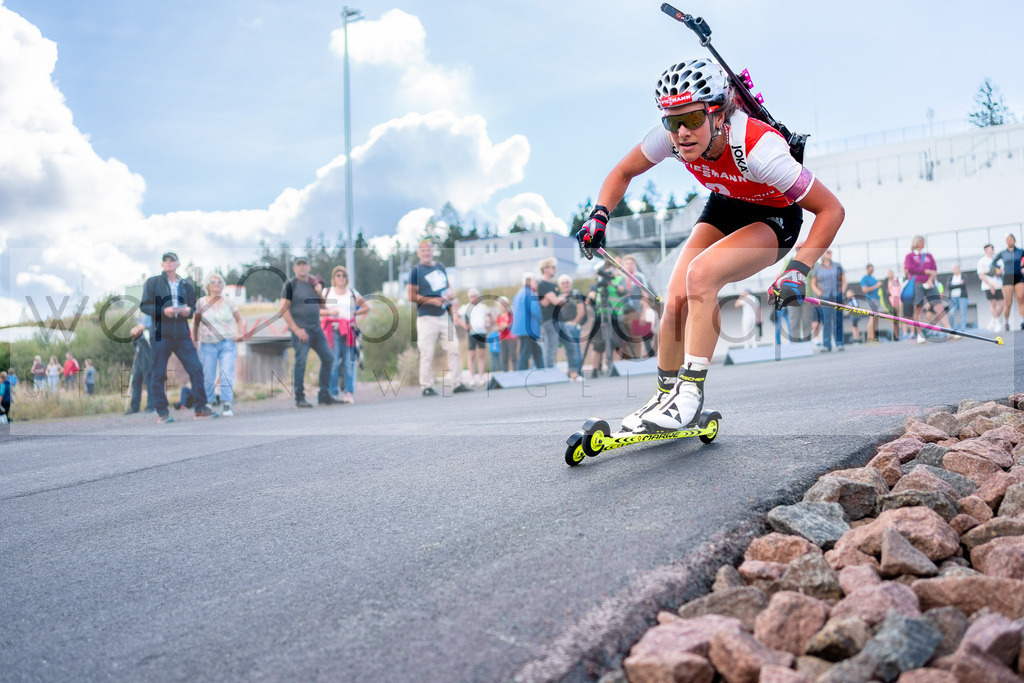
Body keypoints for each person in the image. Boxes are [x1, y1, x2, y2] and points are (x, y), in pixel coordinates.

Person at [576, 57, 843, 433]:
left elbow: (831, 209)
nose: (682, 132)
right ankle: (665, 394)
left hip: (773, 218)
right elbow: (622, 172)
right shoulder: (671, 138)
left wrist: (797, 270)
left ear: (718, 115)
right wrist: (599, 215)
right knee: (675, 295)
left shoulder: (757, 147)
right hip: (726, 204)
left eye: (694, 120)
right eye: (672, 121)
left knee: (701, 275)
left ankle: (690, 394)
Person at [140, 251, 218, 423]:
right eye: (165, 260)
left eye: (172, 260)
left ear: (177, 264)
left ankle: (200, 408)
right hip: (161, 333)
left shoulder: (185, 285)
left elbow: (192, 308)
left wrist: (188, 311)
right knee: (158, 372)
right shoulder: (153, 282)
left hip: (182, 334)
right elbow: (145, 306)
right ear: (162, 264)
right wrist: (163, 311)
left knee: (196, 368)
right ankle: (162, 412)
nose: (168, 263)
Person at [407, 240, 473, 396]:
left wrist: (451, 293)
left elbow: (448, 286)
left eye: (428, 250)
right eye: (423, 250)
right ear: (419, 253)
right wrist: (432, 300)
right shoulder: (416, 271)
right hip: (426, 317)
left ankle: (457, 383)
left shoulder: (440, 267)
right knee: (427, 352)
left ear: (432, 251)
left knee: (454, 347)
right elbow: (410, 295)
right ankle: (426, 386)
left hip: (444, 315)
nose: (426, 253)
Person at [280, 257, 340, 407]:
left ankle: (324, 395)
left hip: (316, 328)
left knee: (328, 358)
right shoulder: (290, 285)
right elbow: (283, 309)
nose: (302, 267)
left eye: (304, 264)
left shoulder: (314, 283)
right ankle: (299, 398)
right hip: (301, 330)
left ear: (309, 266)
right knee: (301, 363)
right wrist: (297, 330)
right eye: (299, 265)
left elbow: (322, 306)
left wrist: (319, 292)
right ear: (294, 268)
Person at [194, 272, 246, 416]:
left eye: (219, 281)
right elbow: (196, 323)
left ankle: (226, 404)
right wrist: (195, 340)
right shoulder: (201, 302)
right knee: (208, 375)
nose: (216, 283)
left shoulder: (228, 302)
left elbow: (239, 320)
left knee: (226, 374)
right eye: (213, 281)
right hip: (207, 343)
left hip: (227, 343)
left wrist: (240, 332)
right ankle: (208, 403)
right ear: (207, 286)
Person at [321, 265, 369, 403]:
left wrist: (354, 313)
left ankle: (349, 392)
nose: (341, 278)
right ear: (333, 278)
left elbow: (367, 306)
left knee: (349, 363)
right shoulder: (327, 292)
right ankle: (333, 393)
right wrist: (330, 313)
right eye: (338, 275)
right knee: (334, 363)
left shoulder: (351, 293)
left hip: (348, 330)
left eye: (344, 276)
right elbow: (318, 310)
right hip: (333, 330)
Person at [904, 235, 952, 343]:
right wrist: (926, 271)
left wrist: (931, 277)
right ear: (915, 242)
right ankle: (920, 334)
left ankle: (949, 330)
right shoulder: (909, 256)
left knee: (939, 306)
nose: (922, 243)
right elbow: (910, 268)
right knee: (918, 308)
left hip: (930, 284)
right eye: (920, 241)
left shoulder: (928, 255)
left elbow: (934, 268)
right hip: (917, 284)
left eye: (923, 241)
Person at [586, 262, 627, 377]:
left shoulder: (618, 280)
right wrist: (591, 298)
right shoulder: (596, 285)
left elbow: (622, 291)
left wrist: (611, 283)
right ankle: (595, 370)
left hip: (615, 315)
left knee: (616, 343)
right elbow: (591, 298)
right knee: (597, 345)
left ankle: (615, 368)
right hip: (601, 316)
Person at [811, 250, 846, 352]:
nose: (830, 254)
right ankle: (827, 345)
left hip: (836, 296)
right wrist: (818, 292)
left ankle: (839, 343)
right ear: (822, 255)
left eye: (830, 252)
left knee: (838, 319)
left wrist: (842, 290)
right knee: (826, 321)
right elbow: (813, 283)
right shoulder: (817, 269)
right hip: (825, 297)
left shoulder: (837, 266)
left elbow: (844, 280)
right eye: (827, 252)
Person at [553, 274, 586, 380]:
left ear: (571, 283)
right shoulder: (558, 296)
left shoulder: (575, 294)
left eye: (567, 282)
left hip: (572, 325)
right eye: (563, 283)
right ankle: (570, 371)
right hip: (562, 326)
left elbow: (581, 310)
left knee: (575, 348)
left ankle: (577, 371)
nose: (565, 285)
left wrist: (574, 323)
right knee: (567, 350)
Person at [536, 258, 565, 369]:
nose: (555, 269)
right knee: (551, 348)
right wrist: (558, 298)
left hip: (559, 319)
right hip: (549, 320)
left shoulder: (553, 285)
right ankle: (550, 371)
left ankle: (572, 372)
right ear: (545, 269)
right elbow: (557, 301)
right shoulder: (542, 284)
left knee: (568, 346)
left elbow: (561, 300)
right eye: (553, 267)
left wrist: (557, 298)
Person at [512, 272, 543, 370]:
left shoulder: (519, 293)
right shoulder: (529, 293)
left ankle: (542, 371)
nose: (537, 283)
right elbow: (535, 311)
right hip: (528, 329)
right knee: (525, 353)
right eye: (535, 281)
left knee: (536, 351)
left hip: (522, 329)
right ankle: (521, 374)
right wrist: (542, 319)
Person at [461, 288, 492, 387]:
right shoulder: (465, 307)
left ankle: (481, 377)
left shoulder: (483, 307)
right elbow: (456, 316)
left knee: (481, 355)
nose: (473, 298)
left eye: (475, 296)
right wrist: (465, 325)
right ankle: (472, 377)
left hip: (482, 333)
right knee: (471, 355)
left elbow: (491, 316)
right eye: (471, 296)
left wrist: (488, 323)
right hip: (472, 333)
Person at [126, 312, 155, 414]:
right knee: (136, 380)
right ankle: (135, 407)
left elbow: (143, 329)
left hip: (147, 355)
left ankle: (151, 405)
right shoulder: (143, 317)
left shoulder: (150, 316)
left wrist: (137, 330)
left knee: (148, 379)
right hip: (139, 355)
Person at [994, 233, 1024, 330]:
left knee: (1020, 299)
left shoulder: (1020, 251)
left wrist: (1022, 267)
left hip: (1018, 277)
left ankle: (1022, 321)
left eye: (1011, 239)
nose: (1009, 241)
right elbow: (993, 262)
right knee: (1008, 302)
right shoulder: (1003, 253)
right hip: (1007, 277)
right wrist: (1000, 268)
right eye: (1007, 239)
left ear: (1014, 240)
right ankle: (1006, 322)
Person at [977, 243, 1005, 331]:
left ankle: (993, 320)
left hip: (999, 284)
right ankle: (997, 323)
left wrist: (998, 272)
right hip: (988, 285)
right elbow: (981, 275)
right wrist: (991, 285)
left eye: (993, 248)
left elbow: (1002, 271)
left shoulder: (997, 260)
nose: (992, 249)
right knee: (993, 303)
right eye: (990, 248)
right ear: (985, 250)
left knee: (1002, 303)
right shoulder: (982, 261)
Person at [859, 263, 881, 342]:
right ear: (867, 269)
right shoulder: (864, 278)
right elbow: (864, 290)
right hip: (871, 300)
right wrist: (876, 286)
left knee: (875, 318)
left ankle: (873, 336)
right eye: (870, 269)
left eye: (873, 269)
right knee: (872, 318)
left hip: (877, 299)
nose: (872, 270)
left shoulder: (873, 278)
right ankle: (869, 337)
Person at [495, 296, 516, 372]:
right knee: (504, 357)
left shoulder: (510, 314)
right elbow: (497, 327)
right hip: (503, 338)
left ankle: (516, 372)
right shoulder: (499, 316)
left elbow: (506, 325)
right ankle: (505, 372)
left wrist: (501, 326)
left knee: (513, 357)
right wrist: (501, 326)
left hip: (511, 338)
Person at [946, 264, 968, 332]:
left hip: (962, 297)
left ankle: (963, 329)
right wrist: (959, 284)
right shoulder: (950, 277)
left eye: (956, 268)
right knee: (951, 313)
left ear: (959, 269)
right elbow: (949, 286)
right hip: (953, 298)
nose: (955, 270)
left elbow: (964, 285)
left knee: (963, 313)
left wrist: (954, 285)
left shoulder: (963, 276)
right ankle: (951, 328)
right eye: (954, 268)